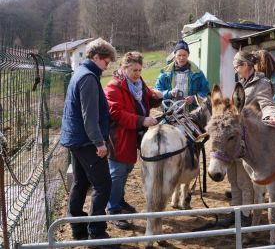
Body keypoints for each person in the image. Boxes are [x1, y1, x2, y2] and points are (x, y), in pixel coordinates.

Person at [60, 38, 118, 245]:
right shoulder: (89, 79)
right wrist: (99, 143)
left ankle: (78, 228)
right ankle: (97, 233)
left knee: (81, 182)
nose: (107, 66)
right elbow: (89, 117)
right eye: (106, 61)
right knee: (103, 185)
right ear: (96, 57)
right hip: (86, 142)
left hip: (75, 139)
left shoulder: (81, 73)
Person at [104, 51, 162, 229]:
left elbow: (145, 98)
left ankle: (119, 201)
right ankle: (112, 210)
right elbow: (116, 113)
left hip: (134, 135)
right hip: (119, 137)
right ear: (124, 67)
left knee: (127, 168)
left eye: (139, 70)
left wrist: (155, 98)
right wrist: (141, 120)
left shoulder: (138, 83)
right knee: (117, 172)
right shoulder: (113, 87)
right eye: (134, 70)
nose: (138, 73)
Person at [220, 50, 275, 227]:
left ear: (246, 65)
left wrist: (270, 116)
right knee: (233, 179)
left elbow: (267, 104)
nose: (236, 70)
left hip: (249, 140)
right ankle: (235, 211)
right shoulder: (242, 83)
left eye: (237, 66)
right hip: (235, 136)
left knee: (244, 182)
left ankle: (245, 216)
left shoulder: (262, 83)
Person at [155, 40, 210, 111]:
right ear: (175, 55)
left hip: (192, 115)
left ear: (188, 55)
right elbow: (156, 92)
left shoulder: (198, 73)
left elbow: (206, 92)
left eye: (184, 55)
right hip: (171, 114)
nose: (182, 58)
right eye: (179, 55)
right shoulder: (165, 73)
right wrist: (169, 93)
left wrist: (194, 98)